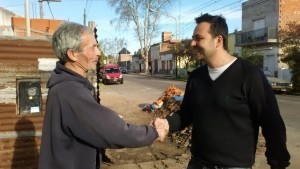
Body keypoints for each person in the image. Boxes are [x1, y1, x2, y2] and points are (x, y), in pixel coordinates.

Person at [153, 13, 290, 169]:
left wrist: (277, 163)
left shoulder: (249, 75)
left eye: (199, 38)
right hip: (198, 163)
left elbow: (272, 123)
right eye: (193, 38)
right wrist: (166, 123)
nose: (192, 43)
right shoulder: (196, 77)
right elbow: (186, 114)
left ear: (218, 40)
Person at [38, 22, 167, 169]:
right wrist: (153, 132)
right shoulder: (71, 91)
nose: (99, 52)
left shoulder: (66, 86)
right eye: (93, 47)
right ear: (73, 54)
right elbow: (115, 133)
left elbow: (89, 122)